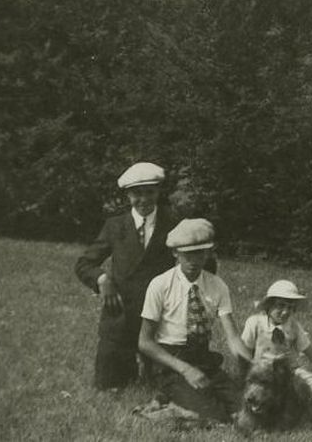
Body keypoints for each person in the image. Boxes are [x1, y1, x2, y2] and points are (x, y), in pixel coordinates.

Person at [137, 218, 252, 423]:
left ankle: (171, 402)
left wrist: (254, 365)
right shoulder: (160, 284)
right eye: (186, 254)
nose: (193, 260)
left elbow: (233, 338)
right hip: (171, 362)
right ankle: (167, 407)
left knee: (247, 411)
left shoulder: (217, 286)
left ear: (208, 253)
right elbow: (145, 343)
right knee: (215, 416)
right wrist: (185, 369)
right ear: (175, 253)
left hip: (204, 360)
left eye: (199, 253)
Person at [75, 162, 177, 391]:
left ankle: (152, 362)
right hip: (121, 317)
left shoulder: (174, 224)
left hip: (161, 319)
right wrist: (102, 279)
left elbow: (202, 264)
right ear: (127, 194)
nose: (143, 200)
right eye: (136, 194)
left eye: (149, 192)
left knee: (166, 386)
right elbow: (84, 263)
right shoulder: (115, 226)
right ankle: (127, 361)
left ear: (159, 191)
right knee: (109, 385)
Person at [241, 280, 312, 404]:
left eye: (290, 308)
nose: (285, 312)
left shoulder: (294, 327)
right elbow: (244, 355)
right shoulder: (255, 323)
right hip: (262, 372)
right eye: (280, 305)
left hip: (291, 372)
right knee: (266, 399)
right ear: (268, 305)